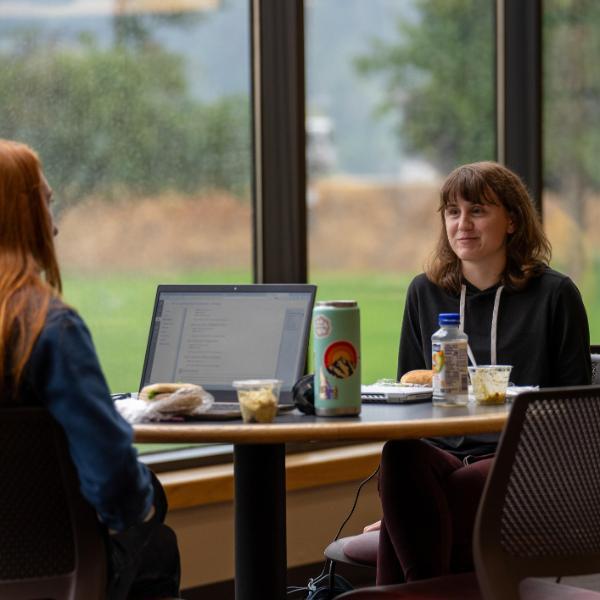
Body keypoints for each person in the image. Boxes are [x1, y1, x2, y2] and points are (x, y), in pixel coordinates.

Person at [370, 161, 591, 585]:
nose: (462, 224)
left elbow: (574, 411)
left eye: (478, 211)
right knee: (399, 456)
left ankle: (417, 592)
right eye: (453, 212)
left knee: (433, 507)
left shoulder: (555, 295)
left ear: (512, 220)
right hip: (445, 457)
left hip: (527, 460)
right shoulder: (424, 291)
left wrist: (399, 514)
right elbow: (410, 399)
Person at [0, 139, 181, 600]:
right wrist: (145, 501)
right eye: (47, 202)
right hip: (61, 577)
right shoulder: (49, 330)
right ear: (25, 217)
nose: (55, 227)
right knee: (157, 540)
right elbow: (114, 485)